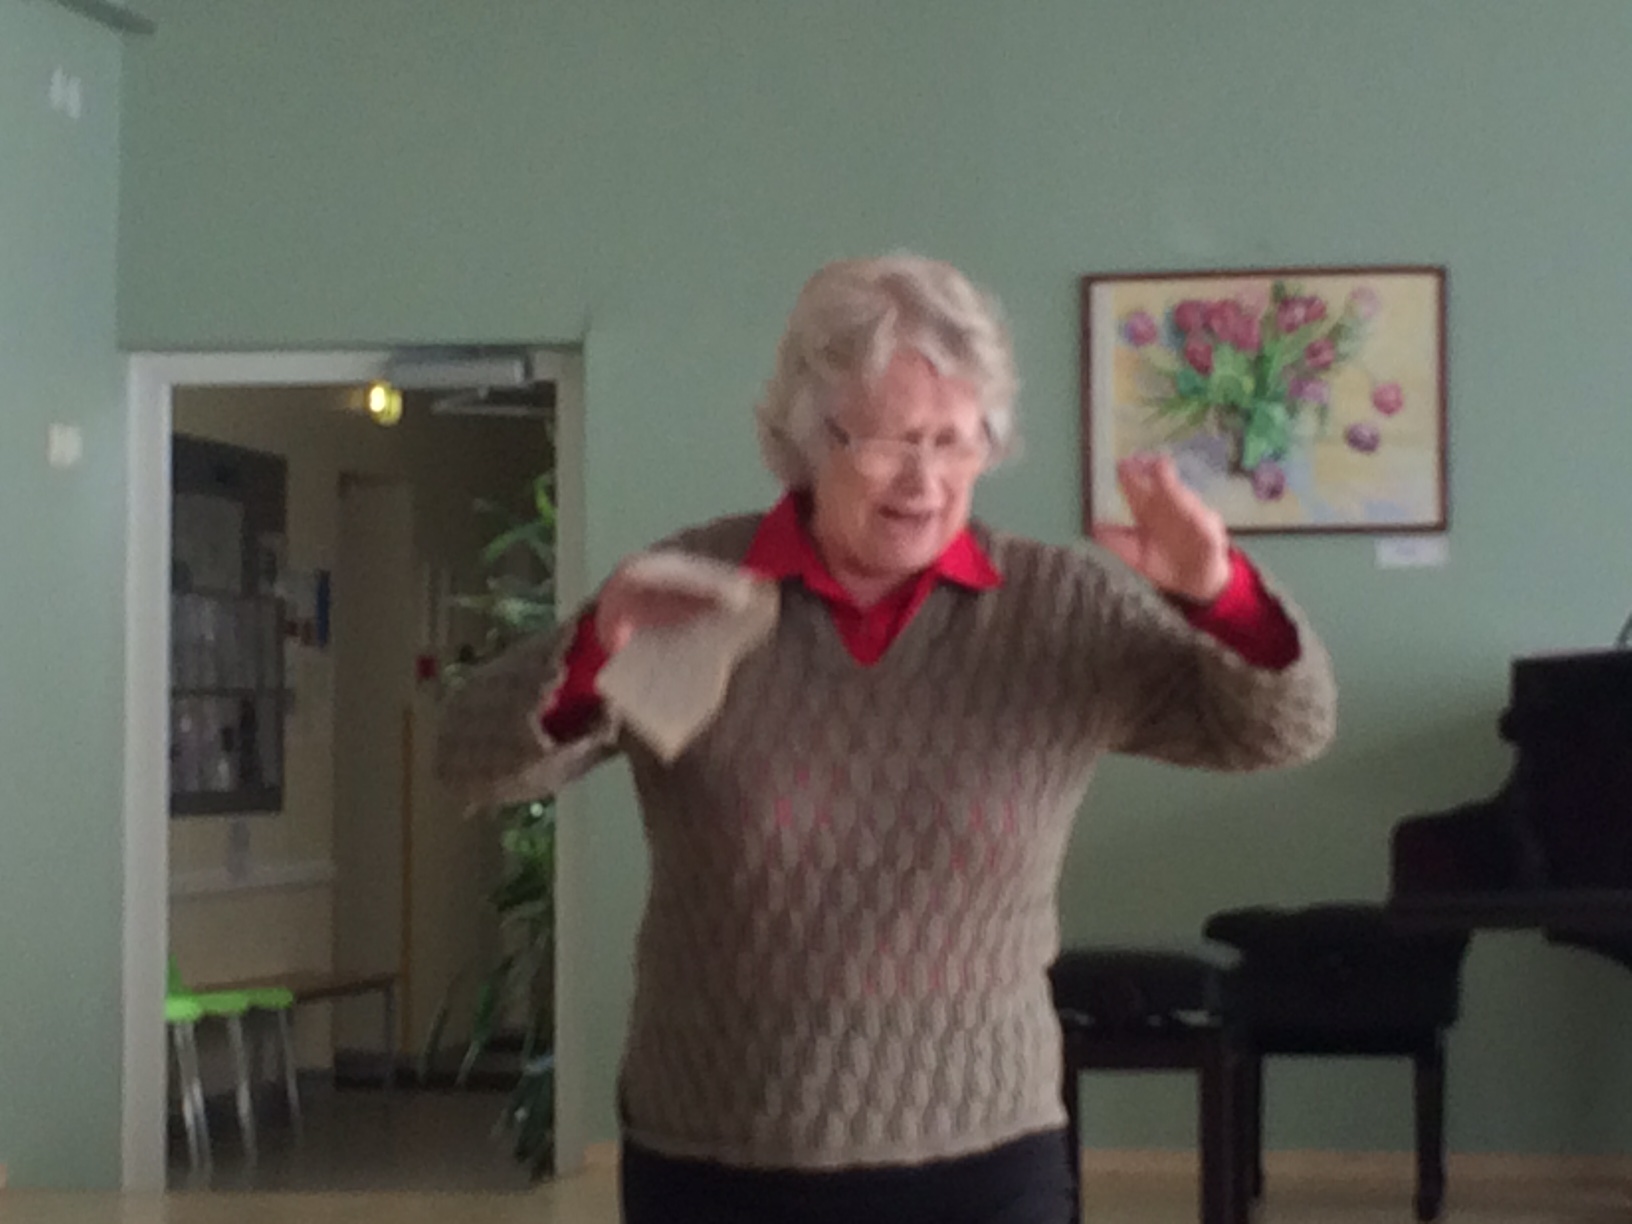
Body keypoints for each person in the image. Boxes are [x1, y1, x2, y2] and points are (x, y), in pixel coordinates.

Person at [436, 254, 1337, 1224]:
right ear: (807, 435)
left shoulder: (1055, 611)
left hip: (986, 1156)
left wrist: (1218, 595)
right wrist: (592, 646)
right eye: (890, 442)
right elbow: (471, 759)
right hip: (718, 1148)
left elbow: (1278, 730)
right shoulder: (696, 589)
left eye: (955, 441)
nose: (925, 479)